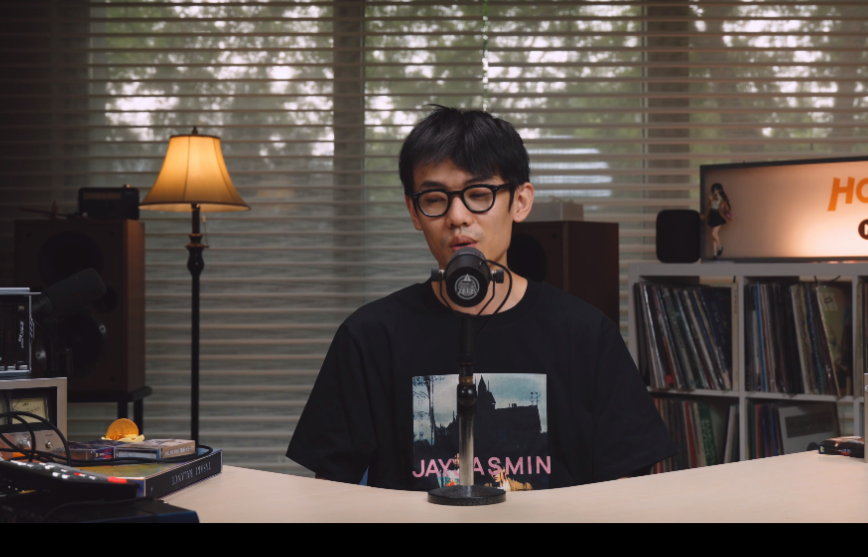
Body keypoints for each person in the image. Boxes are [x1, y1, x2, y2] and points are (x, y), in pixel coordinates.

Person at [287, 106, 676, 491]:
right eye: (434, 198)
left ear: (520, 202)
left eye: (478, 194)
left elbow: (627, 489)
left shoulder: (585, 334)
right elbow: (330, 494)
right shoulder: (368, 337)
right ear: (414, 212)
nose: (457, 216)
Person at [703, 183, 732, 259]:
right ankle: (715, 254)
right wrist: (710, 200)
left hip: (719, 216)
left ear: (720, 190)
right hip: (713, 215)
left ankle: (720, 247)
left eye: (716, 189)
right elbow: (710, 206)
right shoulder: (714, 197)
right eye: (714, 190)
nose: (715, 191)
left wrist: (713, 200)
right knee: (714, 236)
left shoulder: (722, 198)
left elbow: (722, 205)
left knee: (714, 233)